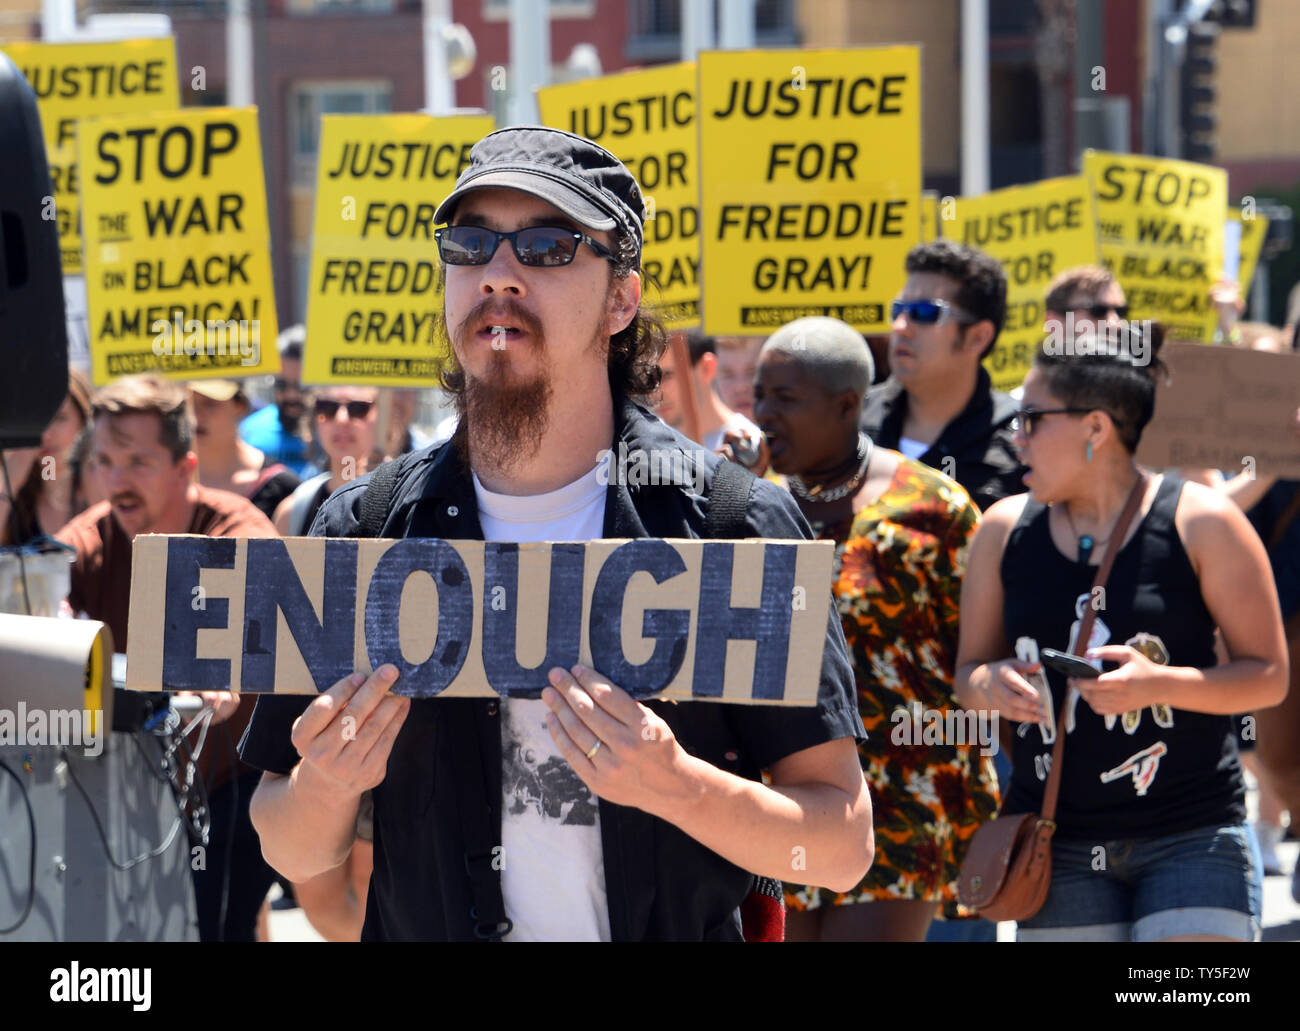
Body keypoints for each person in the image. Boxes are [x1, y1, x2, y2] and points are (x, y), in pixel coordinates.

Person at [241, 125, 872, 942]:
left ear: (621, 298)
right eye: (470, 244)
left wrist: (673, 781)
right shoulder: (363, 528)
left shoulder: (733, 527)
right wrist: (326, 784)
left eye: (546, 246)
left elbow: (840, 844)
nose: (498, 274)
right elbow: (284, 838)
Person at [954, 330, 1288, 941]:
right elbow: (968, 673)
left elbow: (1268, 676)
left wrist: (1159, 685)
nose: (1014, 435)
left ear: (1096, 428)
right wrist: (991, 684)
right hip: (1058, 839)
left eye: (1031, 418)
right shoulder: (1001, 531)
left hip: (1193, 836)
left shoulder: (1204, 522)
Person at [754, 317, 997, 942]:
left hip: (903, 795)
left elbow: (976, 652)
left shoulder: (933, 509)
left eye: (785, 398)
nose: (762, 414)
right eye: (759, 395)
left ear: (846, 406)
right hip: (785, 794)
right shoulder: (746, 507)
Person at [55, 374, 280, 943]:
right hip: (126, 790)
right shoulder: (88, 542)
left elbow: (257, 602)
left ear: (186, 467)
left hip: (235, 786)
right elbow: (43, 601)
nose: (116, 481)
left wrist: (222, 660)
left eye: (137, 462)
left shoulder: (237, 531)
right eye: (104, 461)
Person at [862, 241, 1024, 513]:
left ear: (977, 337)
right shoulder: (850, 423)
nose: (901, 327)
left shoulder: (1024, 443)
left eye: (924, 313)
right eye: (897, 310)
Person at [1, 367, 93, 545]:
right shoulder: (15, 497)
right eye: (36, 421)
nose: (46, 434)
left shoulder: (103, 484)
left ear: (84, 421)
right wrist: (10, 483)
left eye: (59, 418)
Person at [272, 385, 379, 537]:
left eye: (358, 409)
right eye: (327, 408)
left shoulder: (402, 503)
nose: (342, 419)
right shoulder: (292, 512)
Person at [190, 379, 299, 522]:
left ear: (239, 406)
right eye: (189, 404)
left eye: (210, 404)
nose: (197, 416)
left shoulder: (282, 486)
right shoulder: (169, 480)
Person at [655, 330, 761, 452]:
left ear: (706, 369)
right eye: (648, 378)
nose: (655, 392)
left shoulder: (752, 449)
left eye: (667, 375)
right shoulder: (649, 447)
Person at [240, 325, 316, 478]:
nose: (291, 395)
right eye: (281, 385)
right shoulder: (250, 431)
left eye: (301, 386)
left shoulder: (333, 431)